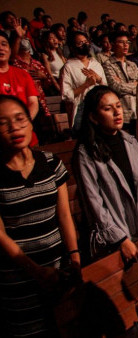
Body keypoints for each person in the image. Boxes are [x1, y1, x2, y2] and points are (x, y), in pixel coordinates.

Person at [0, 95, 80, 337]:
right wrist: (34, 271)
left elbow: (64, 216)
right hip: (18, 278)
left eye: (20, 119)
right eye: (3, 123)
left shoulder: (50, 163)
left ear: (30, 122)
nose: (14, 127)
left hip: (57, 268)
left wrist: (74, 258)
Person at [73, 86, 138, 261]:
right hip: (118, 236)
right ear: (93, 117)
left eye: (118, 106)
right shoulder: (86, 152)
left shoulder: (130, 141)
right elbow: (93, 201)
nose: (117, 112)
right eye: (107, 109)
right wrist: (120, 239)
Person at [60, 31, 107, 131]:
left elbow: (106, 88)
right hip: (81, 110)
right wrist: (86, 85)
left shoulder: (96, 64)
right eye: (80, 43)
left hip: (98, 108)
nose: (84, 44)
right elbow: (66, 95)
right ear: (72, 47)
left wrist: (99, 79)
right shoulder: (69, 67)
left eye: (85, 42)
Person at [103, 31, 138, 134]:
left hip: (137, 111)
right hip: (123, 113)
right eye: (121, 42)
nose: (126, 45)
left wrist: (125, 85)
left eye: (127, 42)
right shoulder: (108, 64)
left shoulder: (132, 64)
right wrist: (134, 86)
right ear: (112, 44)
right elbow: (115, 87)